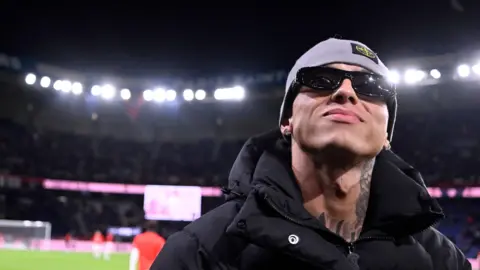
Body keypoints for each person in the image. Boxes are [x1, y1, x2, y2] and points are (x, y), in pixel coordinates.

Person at [151, 38, 471, 270]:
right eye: (320, 81)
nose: (345, 92)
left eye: (370, 86)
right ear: (287, 121)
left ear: (388, 134)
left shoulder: (441, 260)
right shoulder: (201, 254)